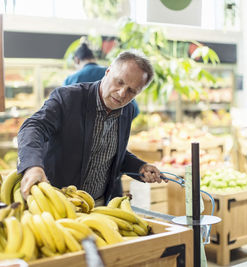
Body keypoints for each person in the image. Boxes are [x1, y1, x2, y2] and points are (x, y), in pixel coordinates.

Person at [17, 50, 166, 206]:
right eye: (119, 82)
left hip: (100, 206)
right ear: (108, 72)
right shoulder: (68, 98)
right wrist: (33, 166)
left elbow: (110, 152)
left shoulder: (126, 110)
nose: (122, 94)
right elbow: (33, 127)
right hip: (58, 203)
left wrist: (140, 167)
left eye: (131, 91)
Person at [63, 42, 140, 199]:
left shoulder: (72, 79)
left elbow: (62, 118)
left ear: (77, 60)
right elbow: (134, 110)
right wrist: (112, 124)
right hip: (108, 175)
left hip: (73, 177)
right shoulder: (115, 74)